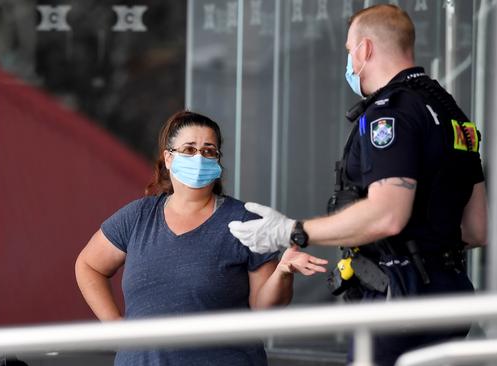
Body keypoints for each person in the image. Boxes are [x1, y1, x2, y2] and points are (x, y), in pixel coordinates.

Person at [228, 4, 487, 366]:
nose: (350, 62)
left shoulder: (389, 112)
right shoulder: (453, 114)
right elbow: (476, 230)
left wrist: (292, 230)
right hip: (451, 292)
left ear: (365, 49)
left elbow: (387, 216)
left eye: (350, 51)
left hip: (398, 297)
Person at [75, 110, 328, 366]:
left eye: (209, 151)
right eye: (189, 149)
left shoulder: (244, 220)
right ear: (169, 158)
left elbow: (264, 309)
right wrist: (116, 327)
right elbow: (88, 265)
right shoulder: (138, 216)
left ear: (218, 161)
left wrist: (283, 271)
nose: (199, 158)